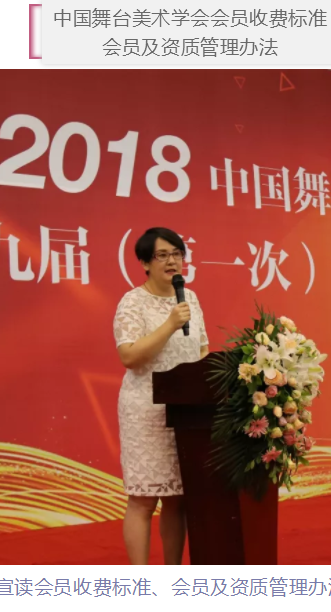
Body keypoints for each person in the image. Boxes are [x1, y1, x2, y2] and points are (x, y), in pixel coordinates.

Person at [112, 227, 210, 565]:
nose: (172, 262)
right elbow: (129, 356)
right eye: (163, 255)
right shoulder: (132, 302)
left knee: (177, 497)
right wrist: (169, 323)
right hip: (146, 412)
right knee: (143, 499)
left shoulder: (189, 298)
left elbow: (202, 350)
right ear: (144, 263)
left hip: (185, 412)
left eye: (177, 254)